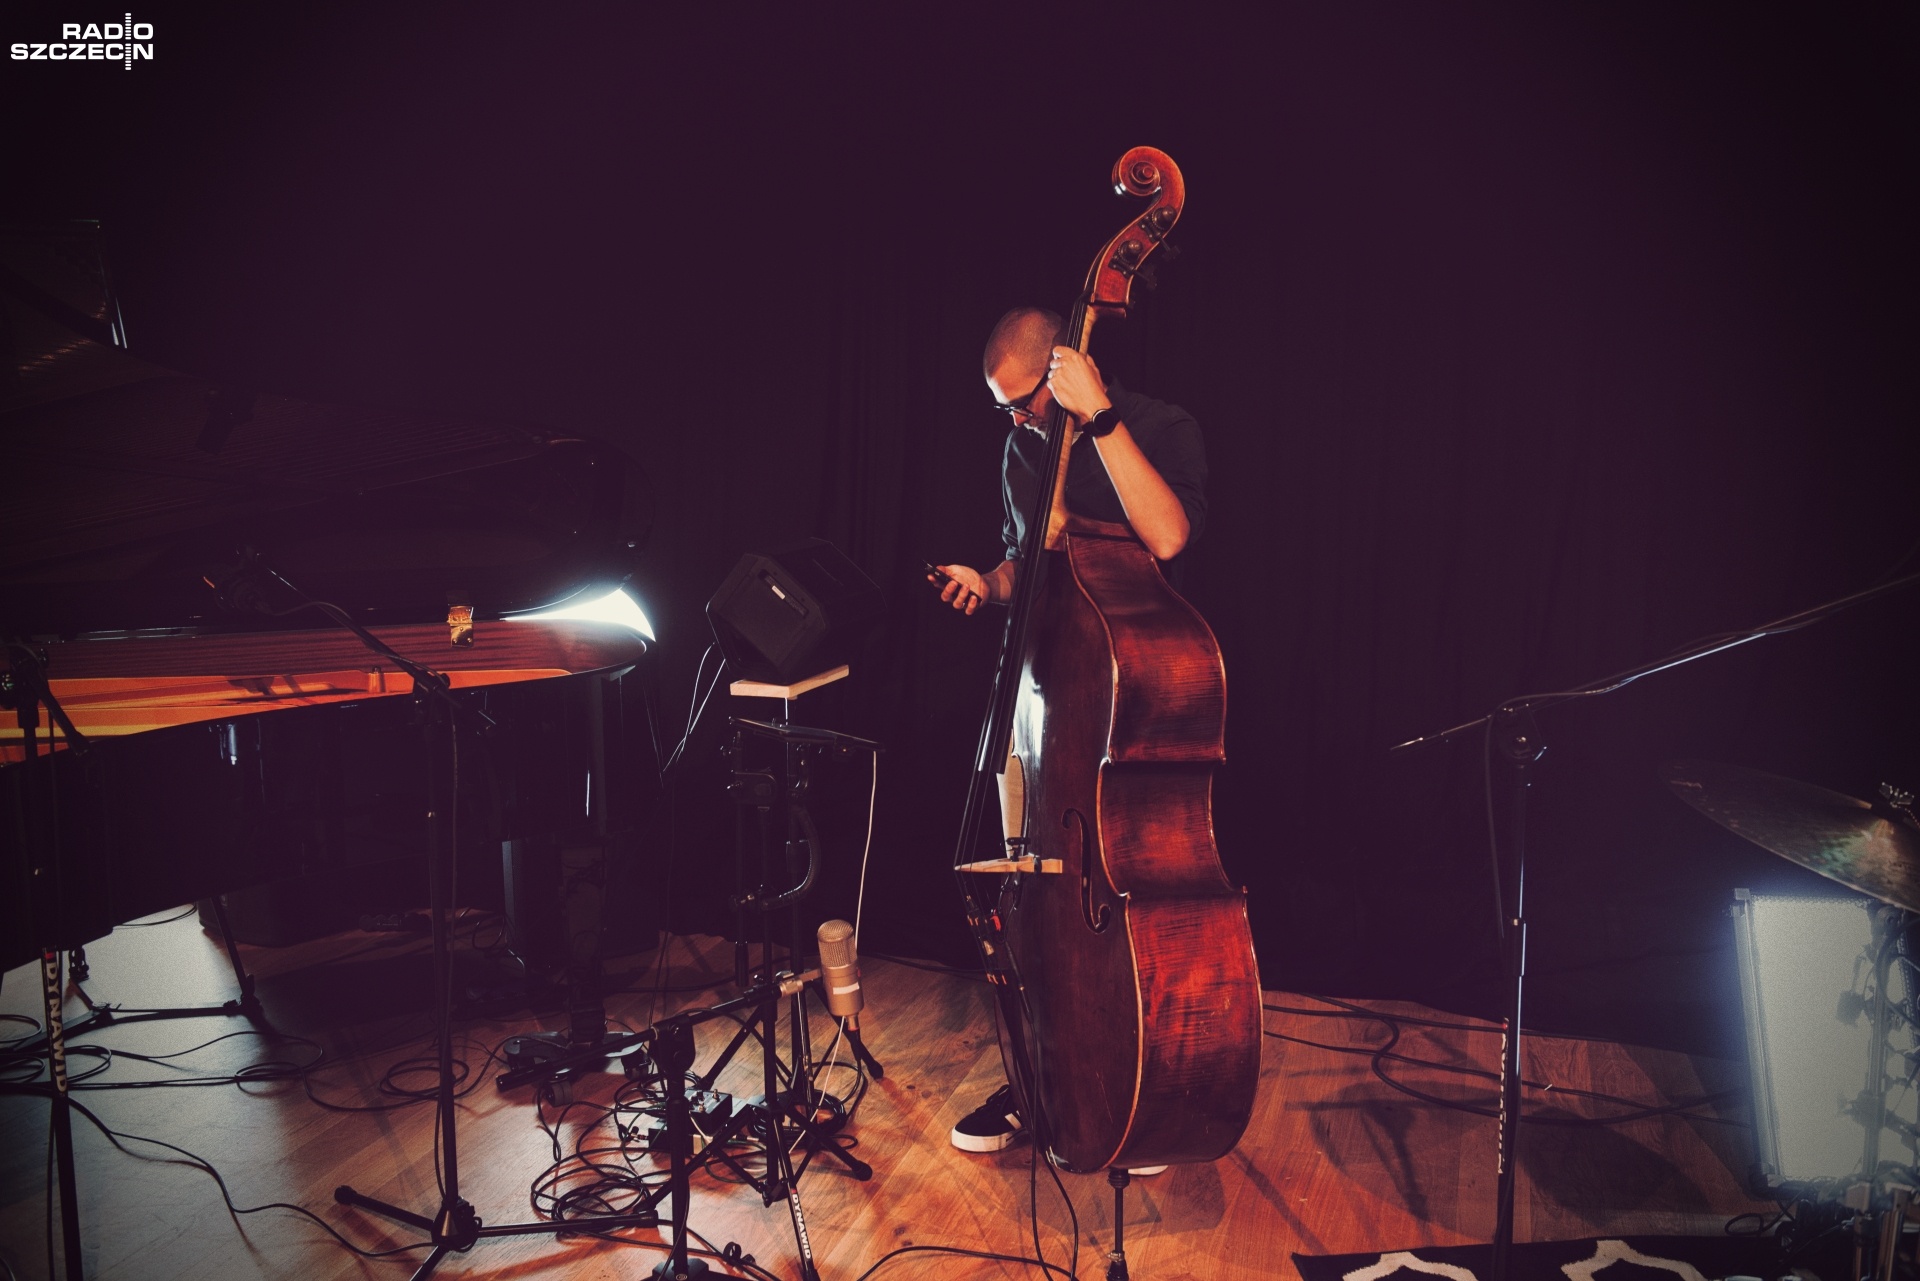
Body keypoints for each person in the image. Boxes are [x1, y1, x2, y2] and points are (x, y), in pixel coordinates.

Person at [931, 306, 1208, 1162]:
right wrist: (988, 580)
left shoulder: (1158, 426)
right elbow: (1029, 558)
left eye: (1024, 401)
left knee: (1127, 910)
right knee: (1036, 906)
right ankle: (1038, 1084)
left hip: (1125, 704)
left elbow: (1167, 536)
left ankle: (1135, 1090)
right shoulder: (1021, 448)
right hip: (1039, 704)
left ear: (1062, 368)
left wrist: (1100, 419)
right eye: (1003, 408)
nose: (1015, 420)